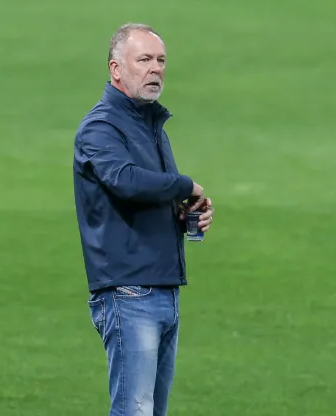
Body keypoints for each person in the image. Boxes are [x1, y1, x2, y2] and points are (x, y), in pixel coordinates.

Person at [72, 23, 214, 416]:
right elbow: (125, 181)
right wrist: (185, 183)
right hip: (129, 291)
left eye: (161, 60)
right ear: (116, 69)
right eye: (145, 60)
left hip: (164, 288)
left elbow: (151, 192)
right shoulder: (100, 127)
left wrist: (184, 212)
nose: (156, 69)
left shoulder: (151, 127)